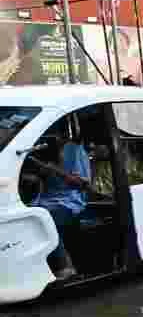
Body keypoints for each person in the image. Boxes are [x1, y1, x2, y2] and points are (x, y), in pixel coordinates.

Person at [24, 119, 91, 279]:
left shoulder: (75, 150)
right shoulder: (40, 150)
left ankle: (65, 266)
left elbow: (83, 184)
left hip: (69, 200)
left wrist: (54, 170)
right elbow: (39, 179)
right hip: (45, 198)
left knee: (43, 218)